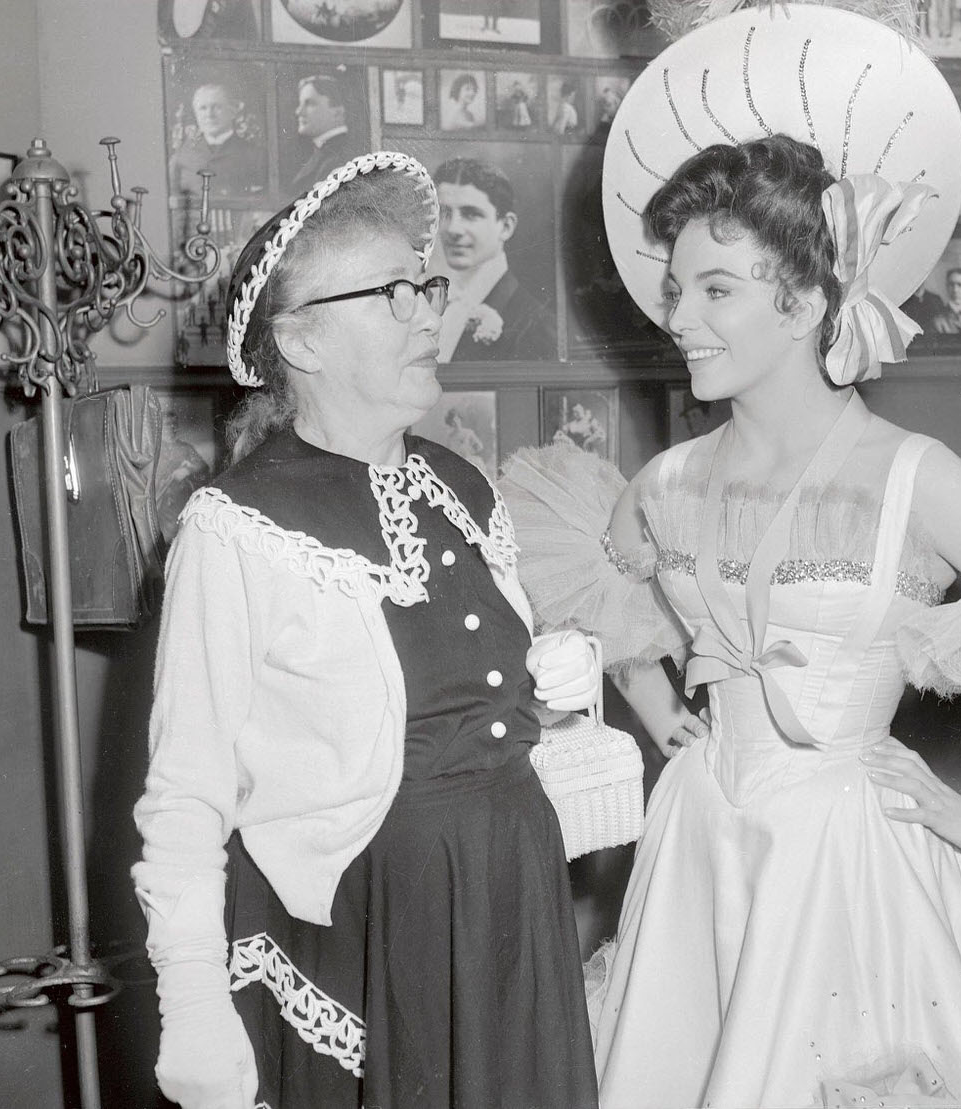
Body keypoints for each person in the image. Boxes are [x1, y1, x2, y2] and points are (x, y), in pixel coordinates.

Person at [500, 8, 961, 1107]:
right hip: (697, 846)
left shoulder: (913, 478)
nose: (678, 316)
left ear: (807, 298)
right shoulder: (665, 481)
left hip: (846, 864)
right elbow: (597, 593)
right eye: (674, 287)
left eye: (714, 289)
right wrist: (654, 709)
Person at [131, 151, 600, 1108]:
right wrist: (192, 999)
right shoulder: (235, 528)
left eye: (426, 286)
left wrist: (562, 692)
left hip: (511, 904)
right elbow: (185, 795)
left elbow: (485, 710)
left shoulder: (464, 489)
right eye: (395, 292)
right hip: (367, 934)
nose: (431, 310)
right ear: (298, 341)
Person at [431, 156, 556, 362]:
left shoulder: (535, 325)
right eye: (444, 213)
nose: (453, 228)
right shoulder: (431, 306)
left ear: (506, 227)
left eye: (471, 214)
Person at [168, 82, 267, 199]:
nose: (209, 114)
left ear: (232, 111)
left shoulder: (255, 155)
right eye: (203, 108)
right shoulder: (182, 157)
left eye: (216, 107)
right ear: (196, 114)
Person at [286, 74, 357, 196]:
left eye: (309, 104)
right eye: (300, 103)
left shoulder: (338, 160)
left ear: (337, 112)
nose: (298, 111)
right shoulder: (324, 153)